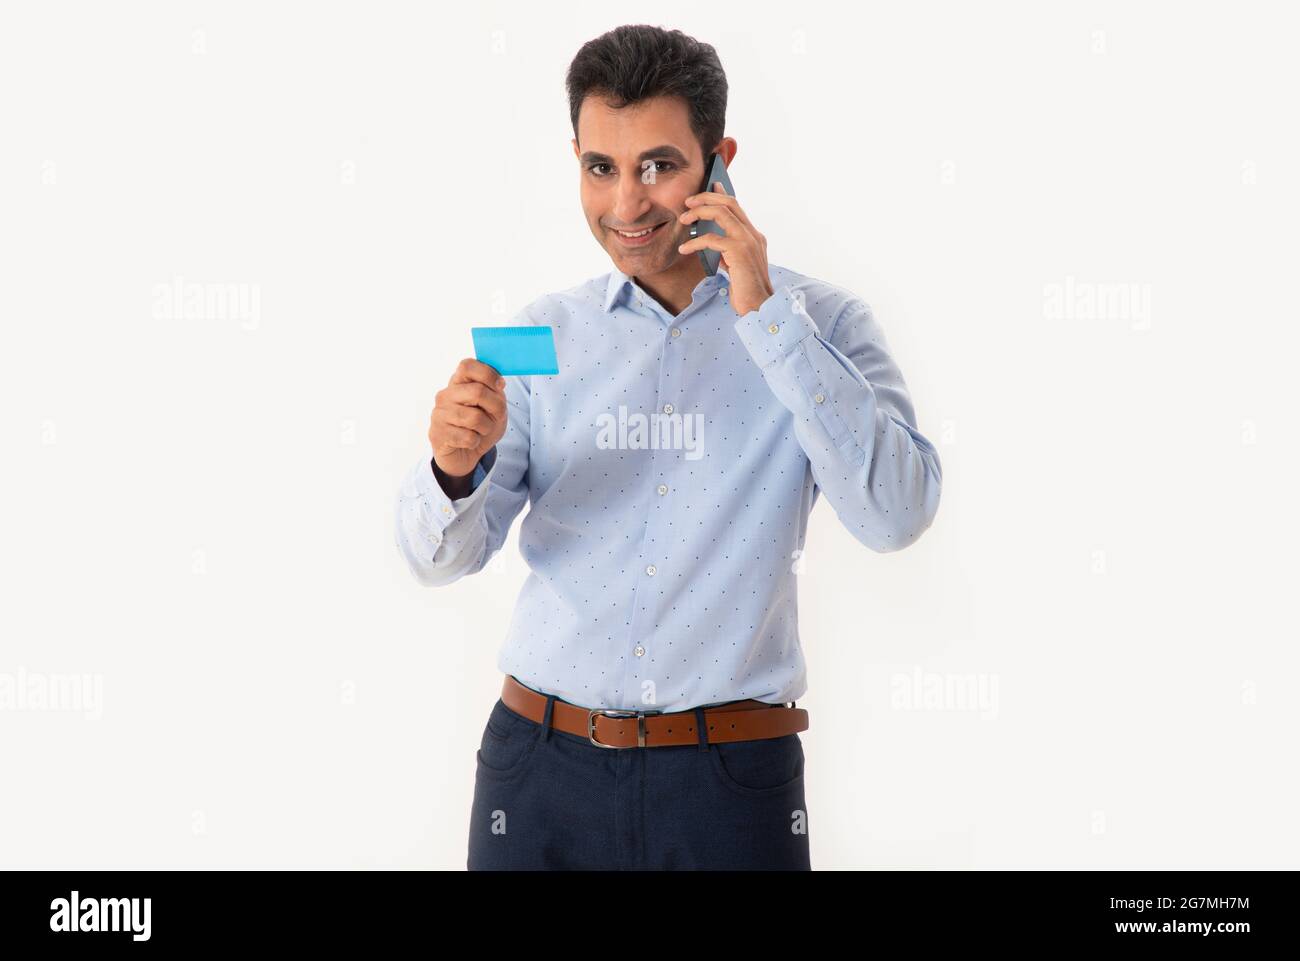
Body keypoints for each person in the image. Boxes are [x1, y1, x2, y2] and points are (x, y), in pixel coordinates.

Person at [395, 24, 943, 870]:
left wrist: (768, 323)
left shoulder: (823, 328)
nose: (626, 206)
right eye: (600, 168)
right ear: (574, 156)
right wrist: (451, 468)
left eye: (658, 165)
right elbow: (439, 561)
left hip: (730, 787)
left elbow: (897, 516)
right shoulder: (540, 333)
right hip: (537, 774)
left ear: (719, 160)